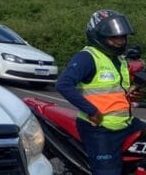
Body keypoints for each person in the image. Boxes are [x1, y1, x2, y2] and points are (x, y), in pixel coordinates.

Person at [56, 9, 145, 175]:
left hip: (126, 123)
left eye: (123, 37)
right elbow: (63, 84)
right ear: (98, 36)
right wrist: (91, 111)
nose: (120, 41)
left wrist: (131, 94)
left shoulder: (118, 59)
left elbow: (114, 91)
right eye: (114, 37)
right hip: (100, 129)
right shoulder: (88, 57)